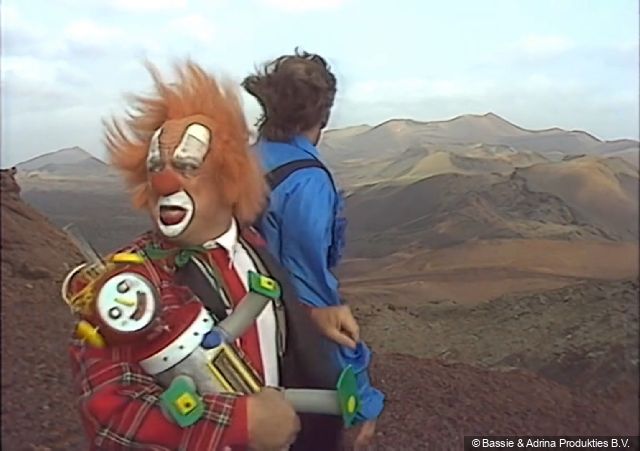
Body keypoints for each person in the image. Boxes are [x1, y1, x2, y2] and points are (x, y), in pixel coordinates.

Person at [62, 60, 348, 451]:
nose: (165, 182)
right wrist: (239, 424)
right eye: (155, 166)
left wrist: (311, 315)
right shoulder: (123, 288)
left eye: (188, 165)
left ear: (230, 176)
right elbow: (108, 415)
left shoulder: (253, 245)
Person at [243, 49, 385, 449]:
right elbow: (311, 294)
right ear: (324, 112)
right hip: (288, 357)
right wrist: (360, 399)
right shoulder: (307, 182)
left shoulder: (242, 162)